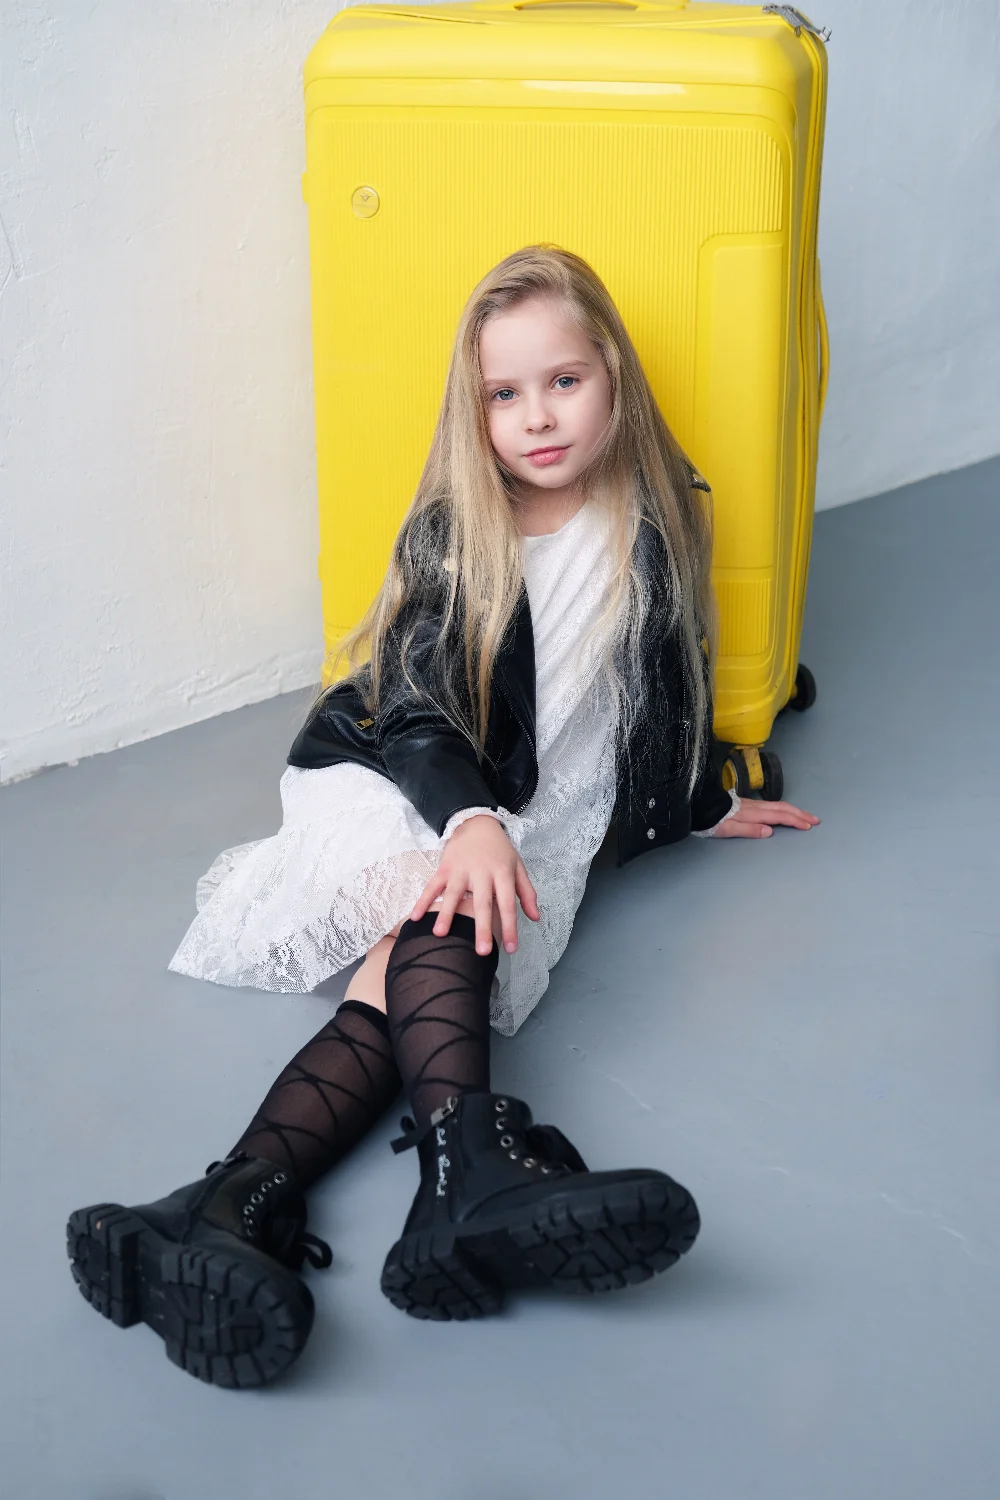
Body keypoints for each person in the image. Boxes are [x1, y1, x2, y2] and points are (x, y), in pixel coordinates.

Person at [67, 246, 819, 1390]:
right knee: (455, 896)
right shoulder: (455, 532)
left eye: (563, 381)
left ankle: (220, 1207)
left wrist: (702, 799)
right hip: (404, 774)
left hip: (530, 801)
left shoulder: (663, 518)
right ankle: (471, 1171)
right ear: (475, 414)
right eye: (503, 395)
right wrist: (467, 817)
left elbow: (661, 694)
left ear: (613, 374)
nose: (537, 417)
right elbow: (417, 709)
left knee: (405, 965)